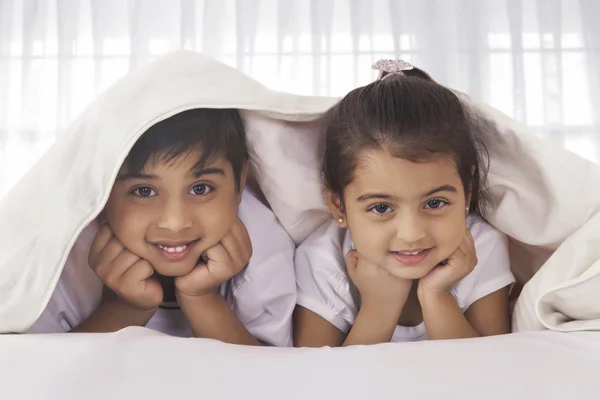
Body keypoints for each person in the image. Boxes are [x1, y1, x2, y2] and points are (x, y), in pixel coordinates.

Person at [29, 108, 296, 347]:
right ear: (103, 192)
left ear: (239, 184)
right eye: (144, 191)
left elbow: (271, 381)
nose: (175, 222)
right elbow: (35, 375)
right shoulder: (66, 249)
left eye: (200, 188)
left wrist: (203, 298)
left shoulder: (264, 240)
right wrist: (127, 308)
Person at [293, 59, 515, 347]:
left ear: (468, 193)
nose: (411, 234)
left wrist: (436, 296)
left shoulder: (483, 247)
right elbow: (320, 383)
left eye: (435, 203)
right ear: (338, 205)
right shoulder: (323, 260)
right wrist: (379, 306)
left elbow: (492, 375)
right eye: (381, 208)